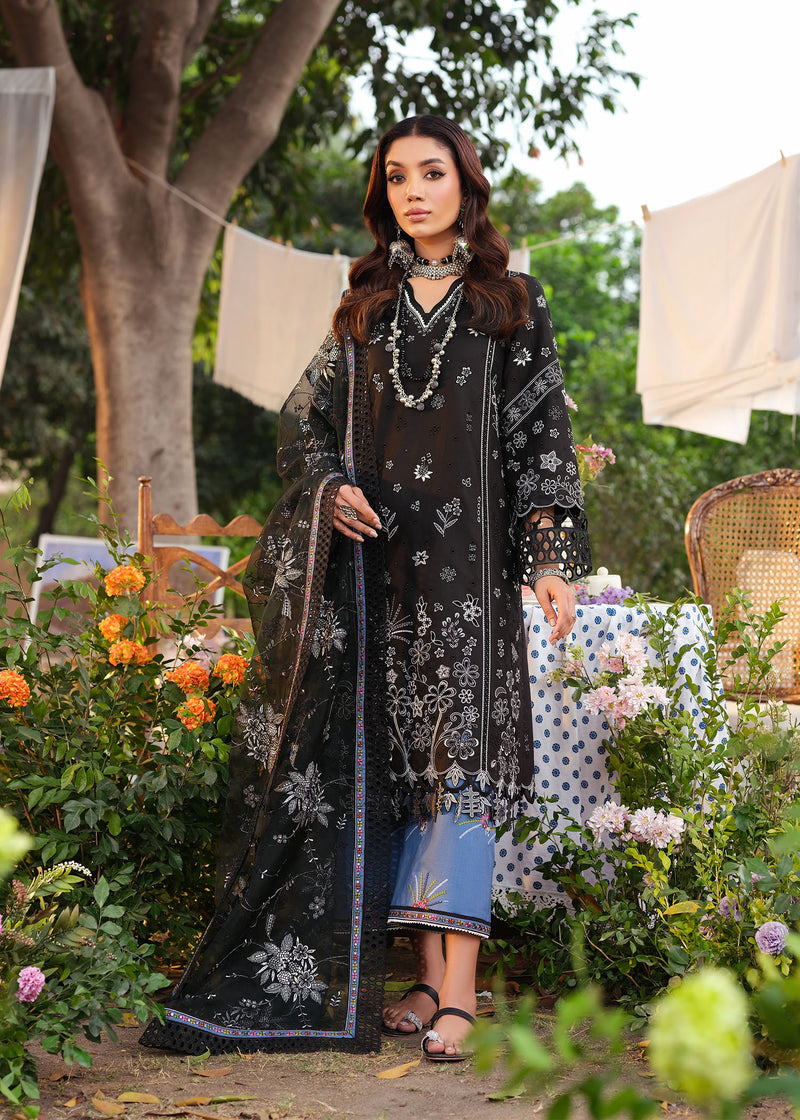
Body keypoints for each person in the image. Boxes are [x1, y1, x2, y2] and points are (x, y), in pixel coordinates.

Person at [140, 115, 590, 1061]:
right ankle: (426, 986)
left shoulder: (510, 302)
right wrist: (330, 487)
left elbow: (541, 440)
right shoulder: (366, 310)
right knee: (398, 775)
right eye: (395, 177)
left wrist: (548, 562)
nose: (413, 191)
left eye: (432, 173)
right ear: (381, 195)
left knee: (455, 766)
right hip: (374, 573)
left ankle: (460, 990)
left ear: (466, 183)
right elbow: (307, 429)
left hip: (468, 572)